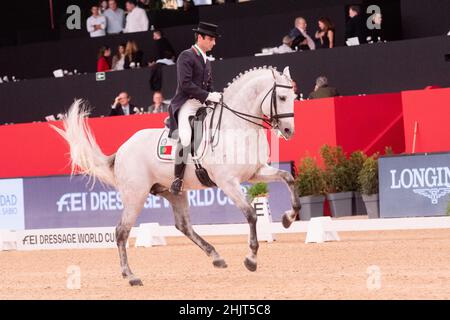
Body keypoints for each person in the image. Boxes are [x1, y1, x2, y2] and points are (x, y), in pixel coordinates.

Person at [167, 22, 222, 195]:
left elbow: (209, 85)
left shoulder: (207, 60)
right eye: (211, 39)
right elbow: (185, 84)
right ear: (200, 37)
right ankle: (178, 178)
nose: (214, 43)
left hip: (203, 103)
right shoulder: (186, 56)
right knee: (185, 138)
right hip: (187, 103)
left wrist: (214, 96)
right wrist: (207, 96)